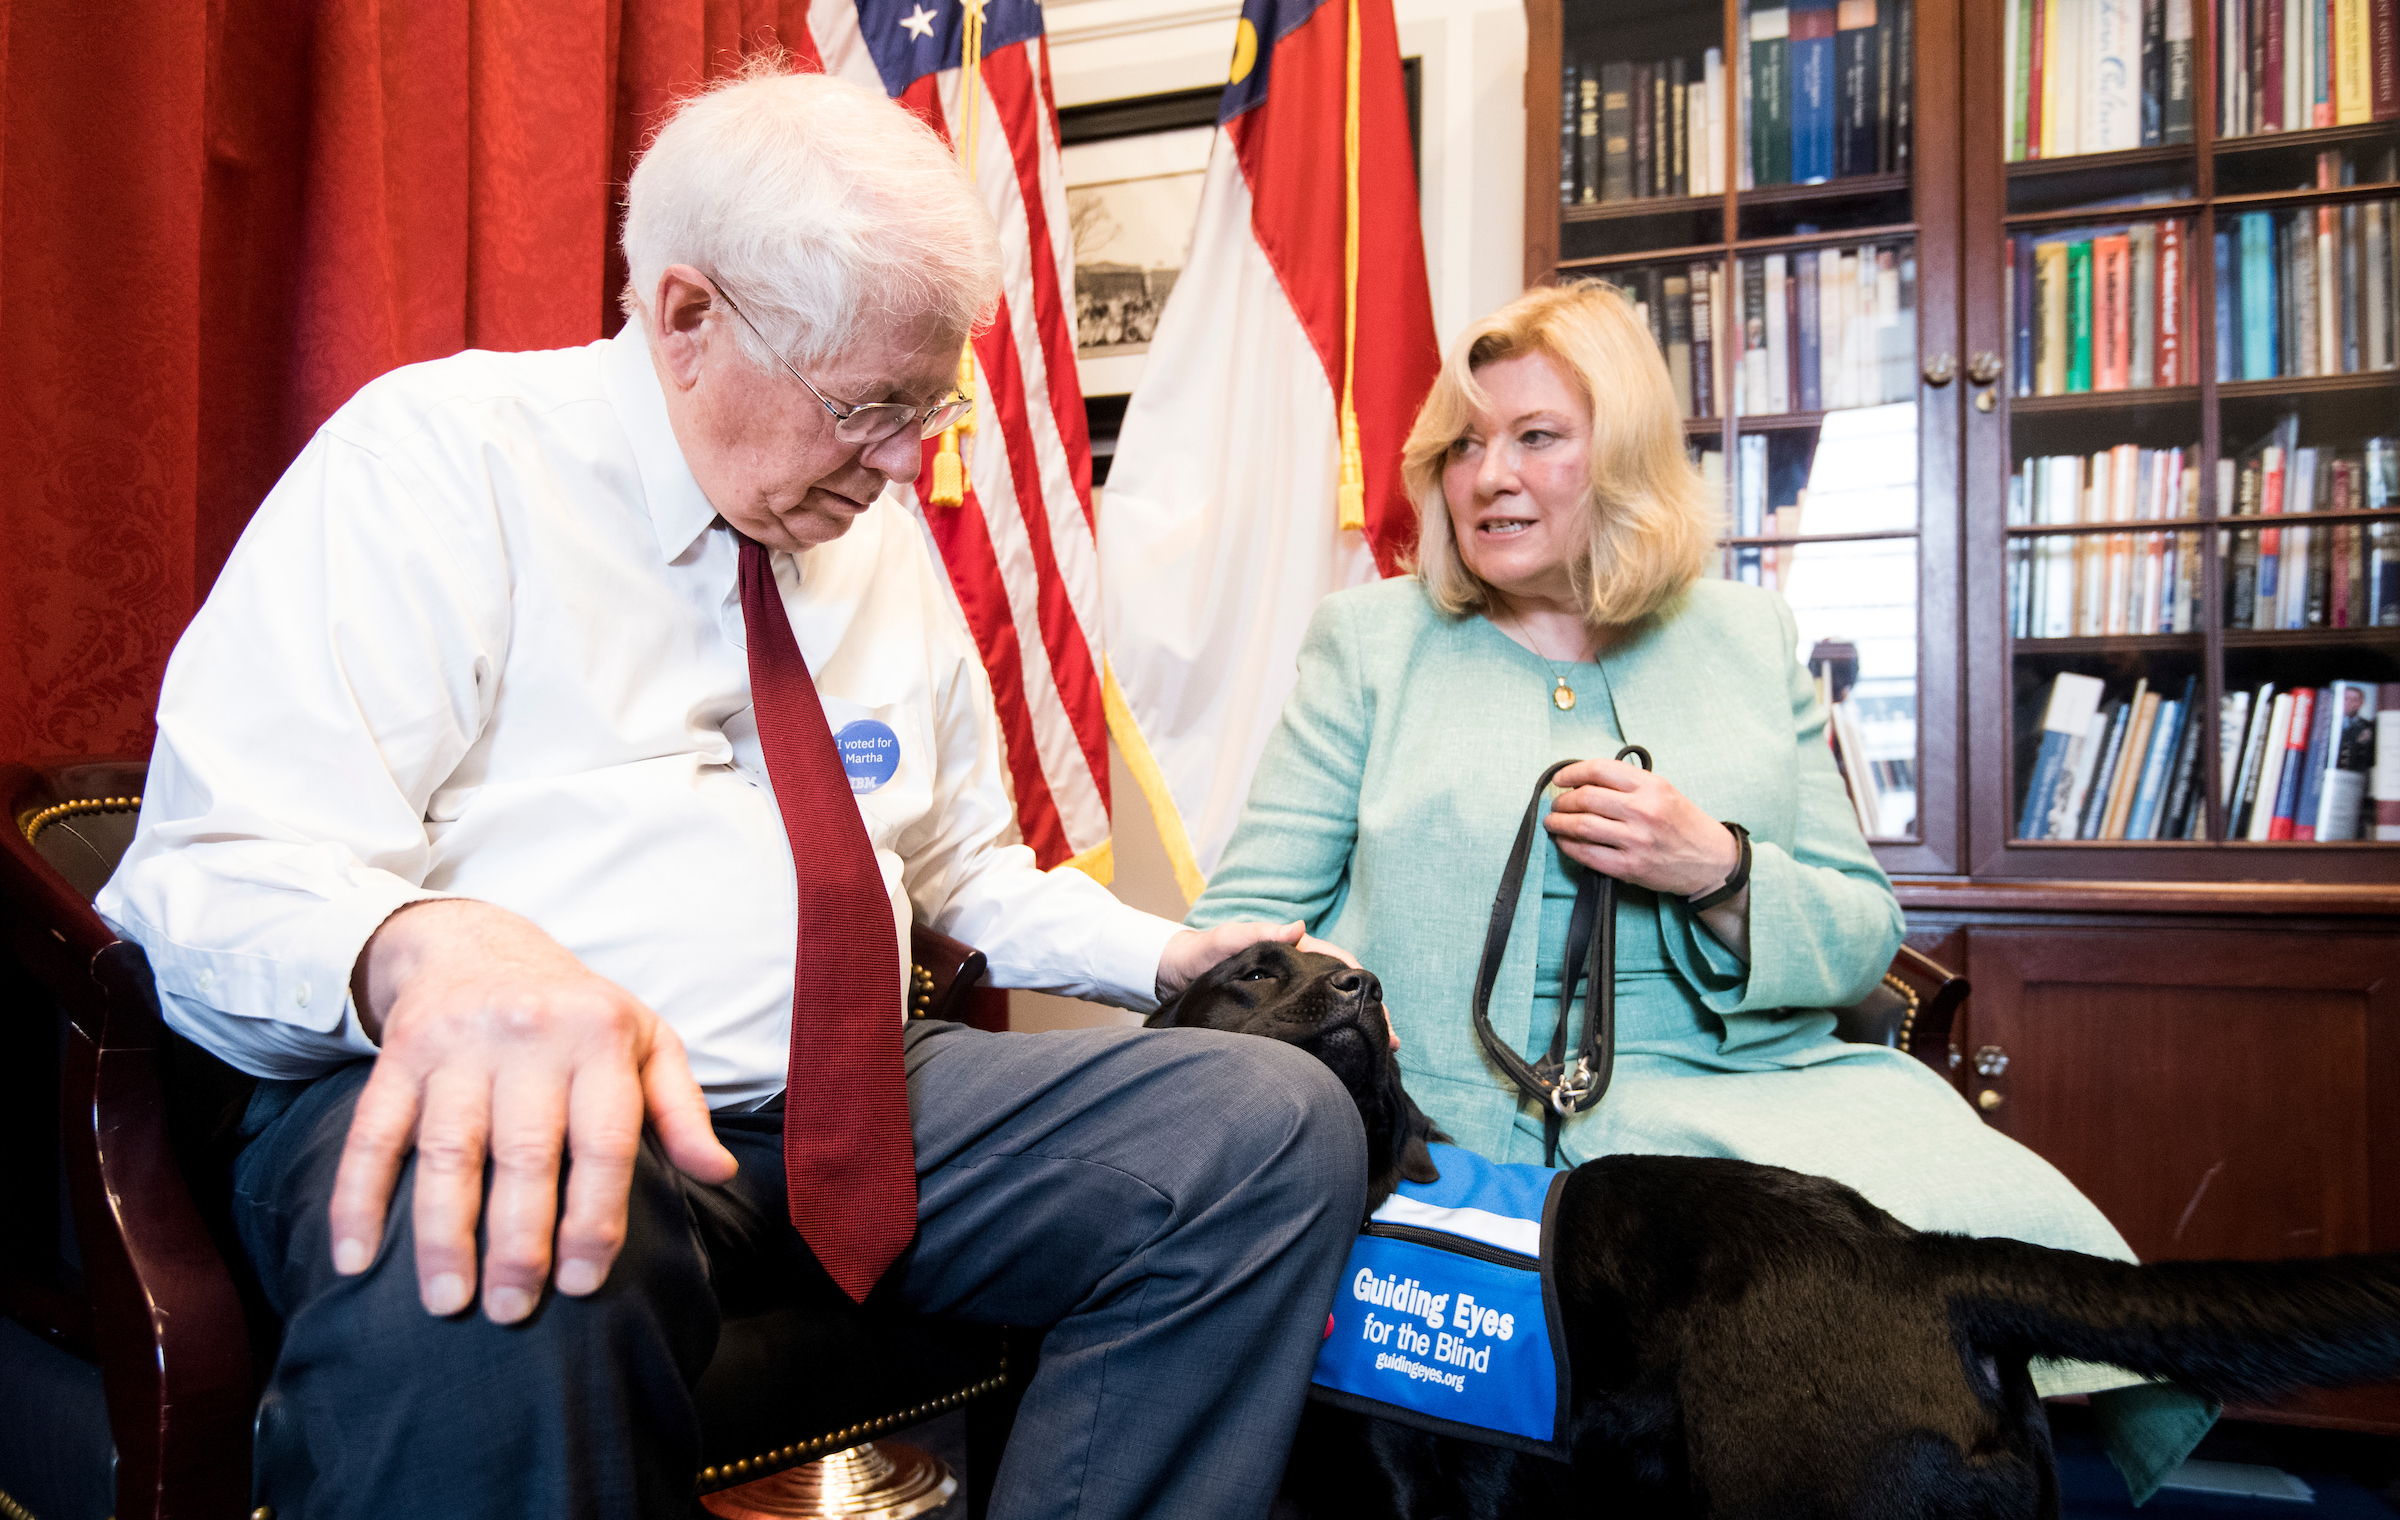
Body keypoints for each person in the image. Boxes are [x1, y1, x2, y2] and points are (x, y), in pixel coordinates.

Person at [96, 66, 1366, 1520]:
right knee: (512, 1210)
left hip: (853, 1098)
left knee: (1260, 1126)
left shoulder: (868, 538)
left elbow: (960, 869)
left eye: (928, 404)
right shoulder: (439, 464)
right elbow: (206, 873)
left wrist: (1165, 955)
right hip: (558, 1107)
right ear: (688, 319)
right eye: (867, 405)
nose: (905, 461)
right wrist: (424, 948)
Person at [1183, 281, 2214, 1496]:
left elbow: (1858, 929)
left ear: (1619, 458)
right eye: (1461, 443)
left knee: (1997, 1243)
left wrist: (1718, 867)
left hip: (1746, 1095)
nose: (1487, 475)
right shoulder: (1368, 641)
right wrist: (1343, 1031)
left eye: (1535, 437)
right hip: (1454, 1122)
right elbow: (1243, 930)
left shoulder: (1744, 634)